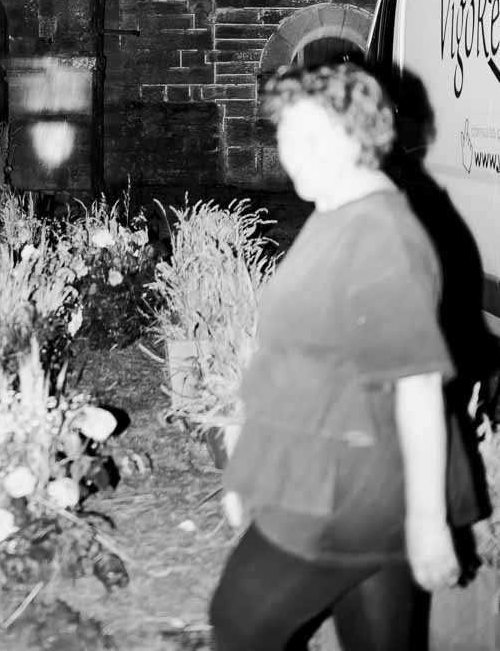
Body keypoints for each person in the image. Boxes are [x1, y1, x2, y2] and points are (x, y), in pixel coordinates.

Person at [209, 60, 488, 651]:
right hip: (346, 474)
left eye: (312, 138)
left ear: (360, 134)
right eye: (286, 137)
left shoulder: (379, 234)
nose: (293, 156)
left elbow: (415, 384)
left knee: (240, 622)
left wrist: (427, 524)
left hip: (350, 486)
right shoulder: (338, 209)